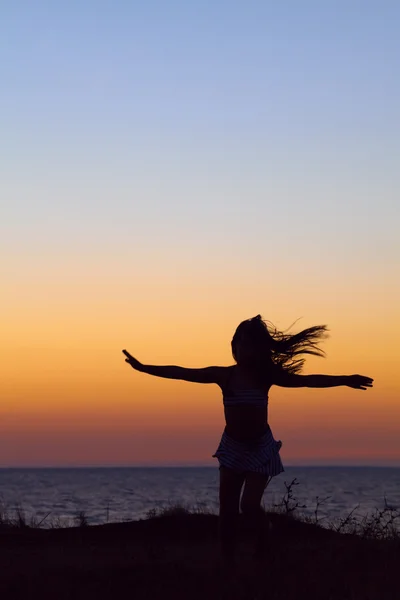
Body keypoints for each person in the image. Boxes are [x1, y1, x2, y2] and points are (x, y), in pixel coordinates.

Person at [122, 315, 373, 564]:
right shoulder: (224, 376)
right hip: (232, 447)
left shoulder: (265, 377)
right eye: (239, 344)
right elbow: (182, 373)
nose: (243, 349)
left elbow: (307, 381)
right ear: (234, 347)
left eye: (249, 344)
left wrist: (344, 380)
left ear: (258, 349)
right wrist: (144, 368)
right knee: (227, 510)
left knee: (250, 505)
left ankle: (266, 536)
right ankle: (227, 561)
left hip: (260, 448)